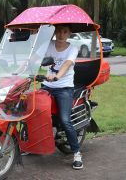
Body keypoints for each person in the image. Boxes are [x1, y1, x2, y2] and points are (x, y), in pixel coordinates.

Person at [41, 24, 83, 170]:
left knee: (65, 120)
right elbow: (35, 57)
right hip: (47, 86)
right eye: (58, 31)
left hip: (64, 87)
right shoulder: (48, 45)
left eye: (65, 31)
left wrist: (57, 76)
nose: (61, 34)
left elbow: (67, 64)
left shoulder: (73, 49)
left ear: (69, 33)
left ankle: (77, 154)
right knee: (34, 112)